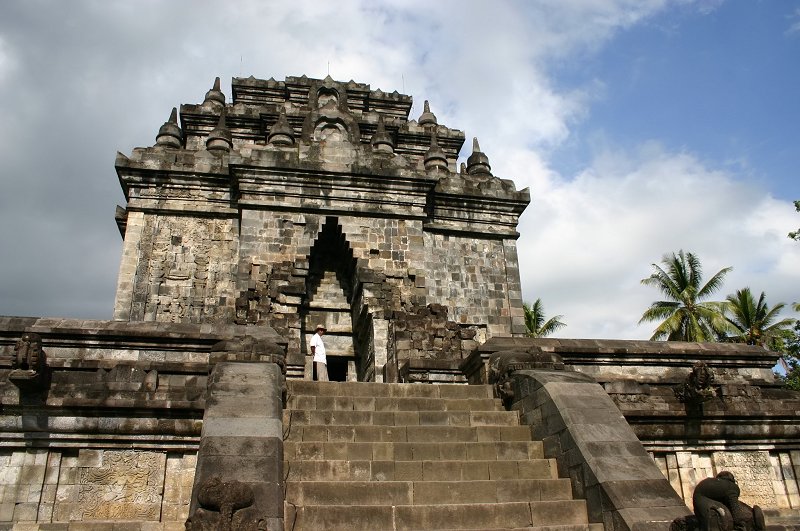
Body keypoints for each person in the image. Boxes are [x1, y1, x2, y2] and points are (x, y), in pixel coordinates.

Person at [692, 471, 765, 531]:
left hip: (700, 499)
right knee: (737, 513)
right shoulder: (732, 487)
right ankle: (740, 524)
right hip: (707, 502)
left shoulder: (710, 483)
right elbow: (736, 510)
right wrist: (740, 522)